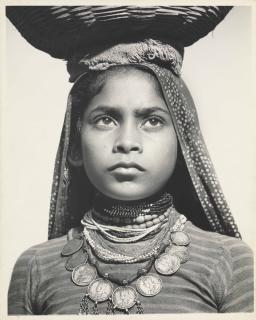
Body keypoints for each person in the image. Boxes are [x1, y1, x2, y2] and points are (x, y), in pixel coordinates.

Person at [7, 5, 253, 315]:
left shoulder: (230, 262)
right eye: (106, 119)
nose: (126, 143)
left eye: (151, 120)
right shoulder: (35, 269)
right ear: (75, 145)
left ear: (182, 144)